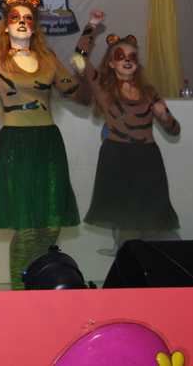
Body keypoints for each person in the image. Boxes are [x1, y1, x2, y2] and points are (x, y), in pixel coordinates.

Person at [0, 0, 89, 289]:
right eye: (15, 17)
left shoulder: (48, 59)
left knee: (51, 225)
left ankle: (39, 285)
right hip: (16, 145)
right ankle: (19, 293)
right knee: (28, 228)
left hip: (48, 144)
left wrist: (84, 67)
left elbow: (77, 94)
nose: (22, 21)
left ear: (35, 26)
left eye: (28, 18)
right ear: (5, 25)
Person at [71, 14, 181, 251]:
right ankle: (128, 266)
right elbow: (79, 58)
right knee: (127, 225)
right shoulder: (103, 87)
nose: (127, 61)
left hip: (148, 160)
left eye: (132, 57)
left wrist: (165, 116)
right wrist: (91, 26)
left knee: (153, 224)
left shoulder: (149, 92)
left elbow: (174, 131)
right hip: (117, 158)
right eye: (120, 56)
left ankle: (150, 270)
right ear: (111, 63)